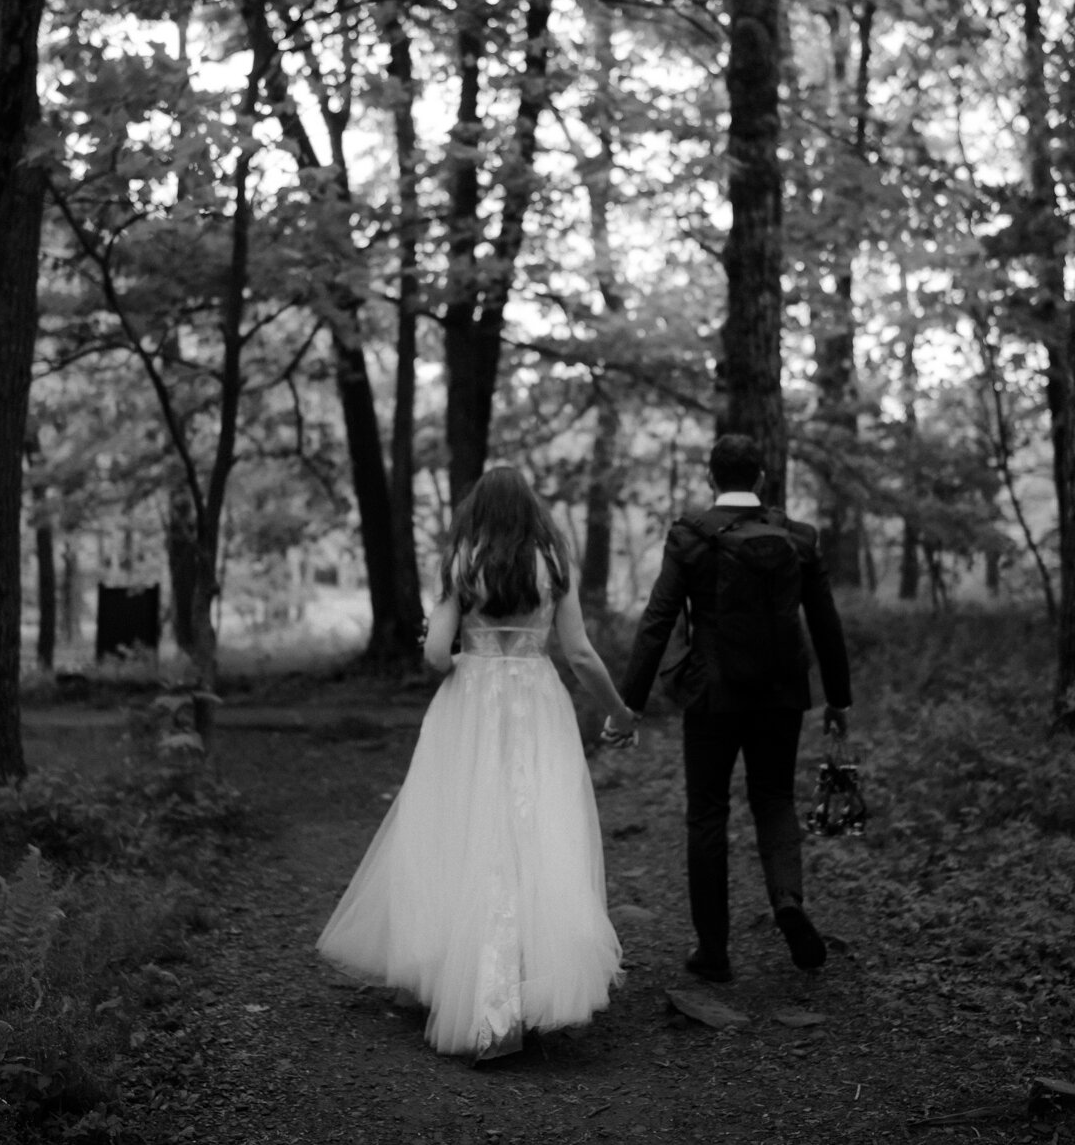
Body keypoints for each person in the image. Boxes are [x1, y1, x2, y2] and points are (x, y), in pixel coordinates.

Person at [317, 467, 640, 1062]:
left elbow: (438, 656)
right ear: (533, 513)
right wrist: (620, 711)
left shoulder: (462, 562)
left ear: (477, 513)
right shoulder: (554, 563)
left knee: (465, 834)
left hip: (470, 710)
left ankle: (470, 986)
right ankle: (526, 985)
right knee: (535, 834)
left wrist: (446, 639)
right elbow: (581, 654)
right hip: (538, 707)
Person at [618, 433, 853, 984]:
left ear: (710, 478)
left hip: (712, 697)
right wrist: (839, 699)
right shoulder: (797, 538)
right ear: (763, 479)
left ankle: (713, 950)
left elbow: (658, 620)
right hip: (782, 695)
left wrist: (629, 704)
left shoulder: (692, 537)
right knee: (773, 800)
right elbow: (825, 621)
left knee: (707, 812)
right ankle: (788, 900)